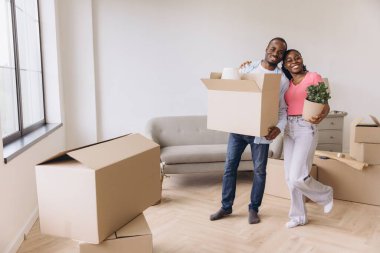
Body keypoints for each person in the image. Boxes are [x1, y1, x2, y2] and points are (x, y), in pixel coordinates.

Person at [210, 37, 289, 224]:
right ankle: (226, 207)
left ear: (282, 56)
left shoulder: (282, 79)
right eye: (273, 48)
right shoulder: (248, 68)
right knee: (229, 168)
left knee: (260, 171)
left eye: (280, 52)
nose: (275, 53)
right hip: (238, 129)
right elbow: (231, 92)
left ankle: (254, 209)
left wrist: (279, 128)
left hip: (260, 133)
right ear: (266, 48)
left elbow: (282, 109)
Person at [281, 49, 333, 228]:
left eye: (297, 58)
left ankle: (325, 194)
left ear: (302, 59)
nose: (294, 61)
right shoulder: (286, 83)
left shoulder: (313, 77)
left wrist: (321, 117)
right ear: (285, 64)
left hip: (305, 127)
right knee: (289, 178)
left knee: (298, 176)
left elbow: (325, 105)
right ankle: (298, 217)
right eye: (289, 60)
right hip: (289, 129)